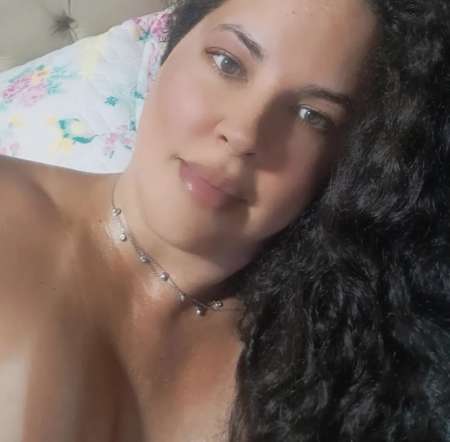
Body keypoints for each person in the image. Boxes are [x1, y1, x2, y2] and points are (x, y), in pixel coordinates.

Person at [0, 0, 449, 441]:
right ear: (172, 48)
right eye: (227, 63)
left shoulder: (338, 357)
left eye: (312, 116)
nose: (243, 133)